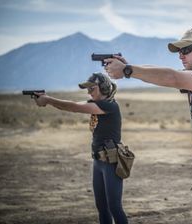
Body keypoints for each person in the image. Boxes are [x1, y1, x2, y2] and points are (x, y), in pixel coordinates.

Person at [104, 26, 192, 224]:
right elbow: (164, 73)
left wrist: (127, 71)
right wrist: (130, 66)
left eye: (186, 50)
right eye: (179, 51)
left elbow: (171, 77)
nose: (180, 55)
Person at [33, 72, 128, 224]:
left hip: (110, 162)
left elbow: (74, 107)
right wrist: (48, 99)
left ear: (103, 88)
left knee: (114, 207)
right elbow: (73, 105)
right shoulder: (97, 103)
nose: (89, 92)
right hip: (98, 161)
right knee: (102, 207)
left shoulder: (108, 105)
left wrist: (48, 100)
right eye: (88, 89)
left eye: (92, 88)